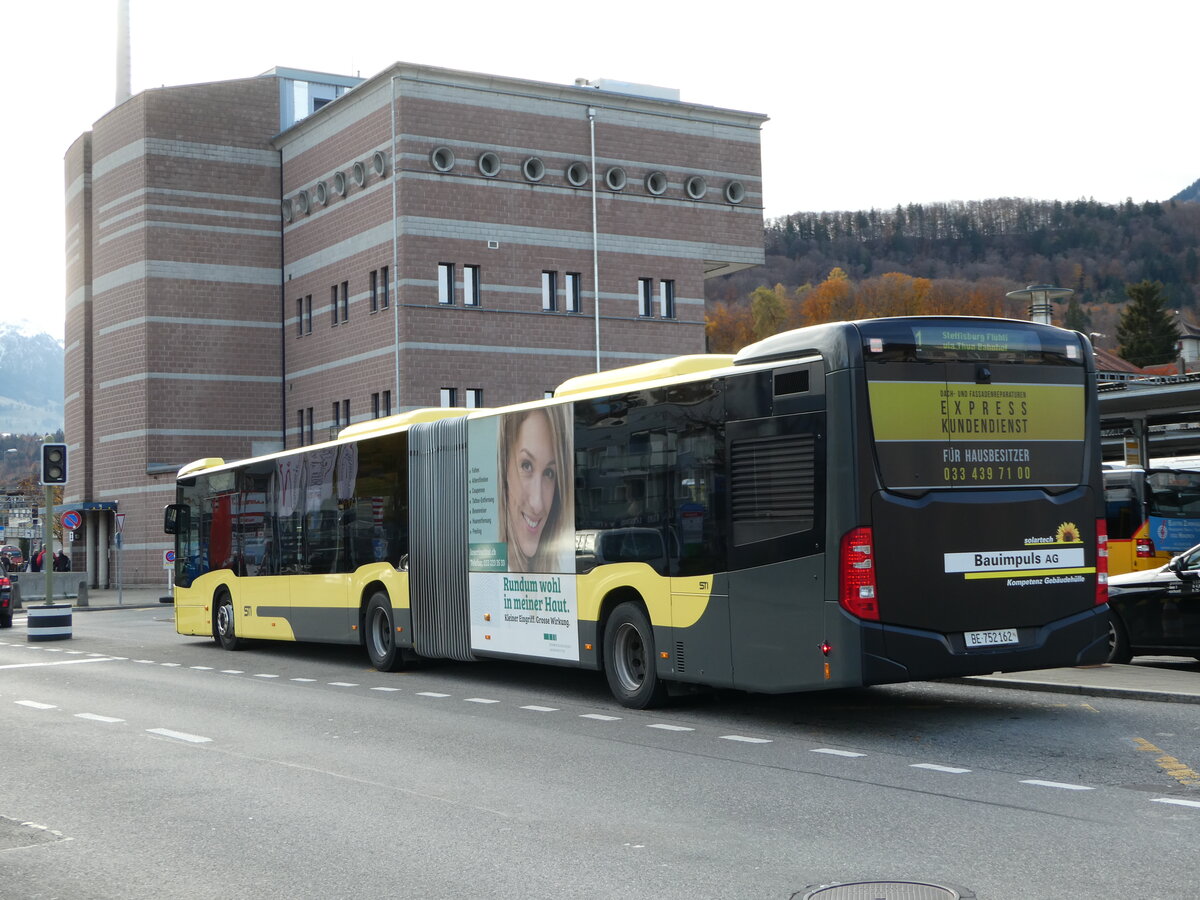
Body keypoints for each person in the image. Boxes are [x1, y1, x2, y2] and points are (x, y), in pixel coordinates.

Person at [497, 407, 574, 573]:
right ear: (504, 466)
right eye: (526, 466)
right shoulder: (490, 583)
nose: (537, 504)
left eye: (549, 473)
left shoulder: (558, 571)